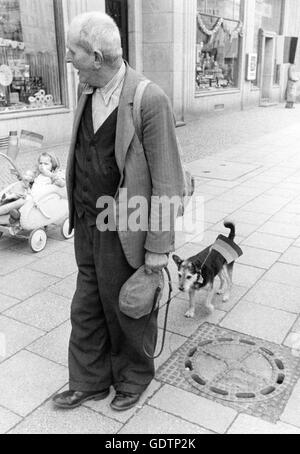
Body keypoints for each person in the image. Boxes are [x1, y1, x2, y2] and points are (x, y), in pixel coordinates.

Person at [52, 11, 185, 412]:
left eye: (72, 52)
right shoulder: (86, 89)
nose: (68, 60)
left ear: (95, 56)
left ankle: (132, 377)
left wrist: (158, 252)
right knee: (87, 304)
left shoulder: (149, 98)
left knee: (129, 306)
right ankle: (89, 380)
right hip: (89, 224)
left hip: (126, 227)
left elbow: (167, 182)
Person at [0, 151, 65, 220]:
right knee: (11, 199)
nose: (42, 166)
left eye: (46, 164)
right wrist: (19, 175)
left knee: (14, 204)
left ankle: (10, 212)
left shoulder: (53, 175)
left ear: (53, 165)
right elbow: (26, 179)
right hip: (27, 195)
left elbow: (62, 183)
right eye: (40, 163)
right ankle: (9, 208)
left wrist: (49, 174)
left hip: (36, 200)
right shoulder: (37, 174)